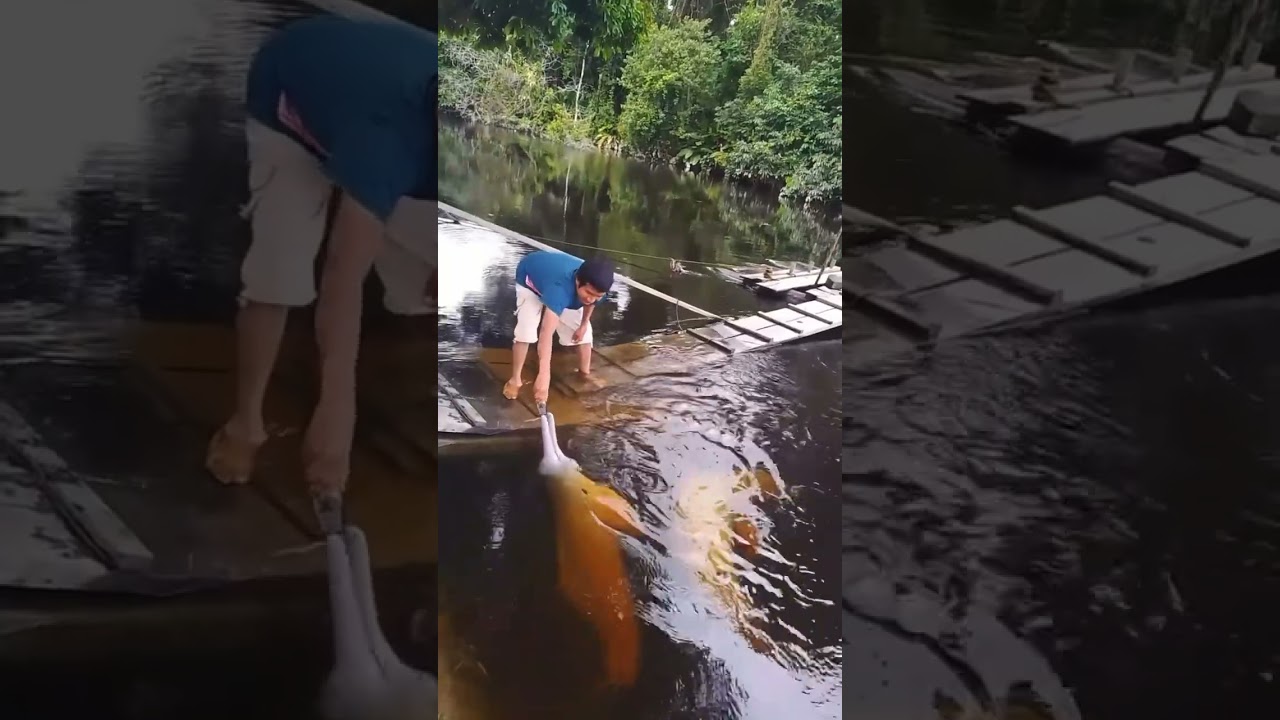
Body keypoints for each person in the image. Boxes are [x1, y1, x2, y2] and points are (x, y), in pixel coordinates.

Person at [205, 14, 437, 497]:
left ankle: (401, 385)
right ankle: (245, 422)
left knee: (433, 274)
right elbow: (340, 277)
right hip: (290, 100)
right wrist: (337, 408)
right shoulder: (387, 142)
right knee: (281, 270)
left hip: (369, 92)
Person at [504, 251, 615, 405]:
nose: (591, 298)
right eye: (589, 293)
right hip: (530, 278)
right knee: (526, 331)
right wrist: (544, 375)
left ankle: (585, 372)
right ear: (577, 281)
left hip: (555, 281)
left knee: (584, 332)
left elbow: (591, 303)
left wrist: (583, 324)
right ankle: (515, 379)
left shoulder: (597, 287)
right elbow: (546, 333)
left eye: (598, 295)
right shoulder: (560, 290)